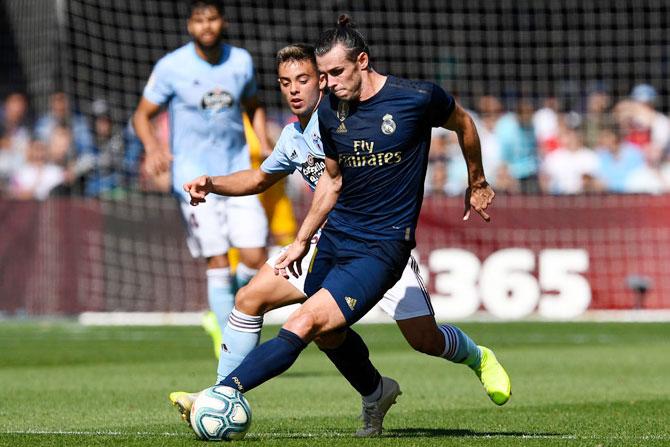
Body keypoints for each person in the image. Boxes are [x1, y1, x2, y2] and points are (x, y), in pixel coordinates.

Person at [189, 17, 510, 435]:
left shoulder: (415, 98)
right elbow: (332, 182)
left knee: (419, 339)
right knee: (303, 322)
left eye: (329, 74)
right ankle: (374, 393)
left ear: (362, 61)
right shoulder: (329, 117)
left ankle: (477, 356)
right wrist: (301, 240)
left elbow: (464, 123)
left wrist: (478, 180)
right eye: (317, 77)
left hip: (383, 249)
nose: (325, 84)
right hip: (334, 240)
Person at [132, 0, 270, 352]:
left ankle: (229, 311)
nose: (206, 26)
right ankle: (230, 342)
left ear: (222, 21)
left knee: (255, 257)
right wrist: (153, 148)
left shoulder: (241, 61)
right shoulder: (171, 66)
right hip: (194, 180)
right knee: (218, 258)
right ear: (189, 25)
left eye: (212, 19)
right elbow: (142, 115)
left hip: (239, 173)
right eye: (199, 20)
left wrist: (264, 140)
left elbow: (253, 104)